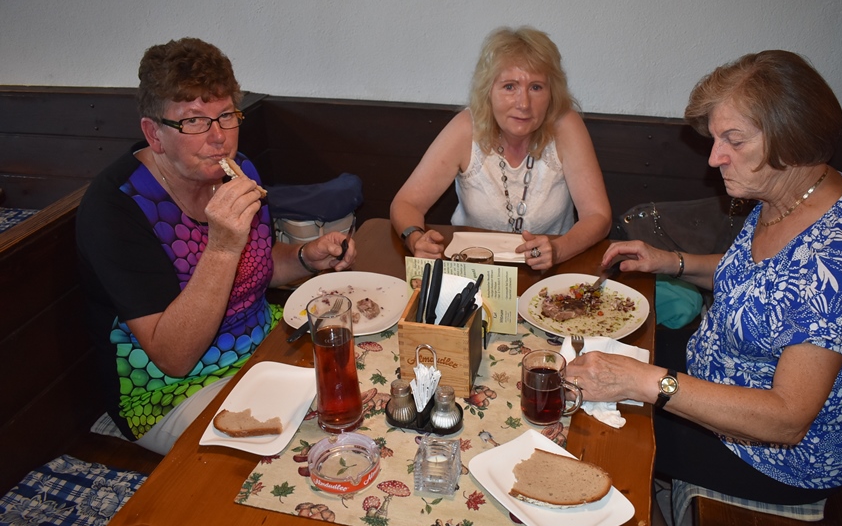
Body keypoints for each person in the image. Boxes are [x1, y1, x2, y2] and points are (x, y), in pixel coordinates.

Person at [565, 50, 842, 526]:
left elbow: (787, 419)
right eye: (716, 138)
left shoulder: (841, 257)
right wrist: (672, 262)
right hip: (719, 366)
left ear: (791, 139)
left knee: (598, 433)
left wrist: (647, 382)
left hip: (780, 456)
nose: (714, 157)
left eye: (734, 140)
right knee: (591, 351)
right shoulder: (789, 193)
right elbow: (760, 279)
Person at [76, 38, 356, 455]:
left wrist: (304, 257)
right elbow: (174, 356)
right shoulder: (117, 208)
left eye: (226, 116)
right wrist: (221, 247)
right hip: (170, 392)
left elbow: (256, 266)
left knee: (352, 383)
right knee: (298, 451)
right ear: (154, 134)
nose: (219, 138)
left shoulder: (237, 171)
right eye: (193, 121)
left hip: (259, 348)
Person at [390, 26, 611, 271]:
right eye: (509, 86)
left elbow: (598, 215)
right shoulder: (465, 127)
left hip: (550, 273)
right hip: (472, 269)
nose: (524, 103)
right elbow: (406, 202)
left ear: (552, 92)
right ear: (488, 90)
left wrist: (558, 250)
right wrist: (415, 239)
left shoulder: (566, 125)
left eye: (536, 87)